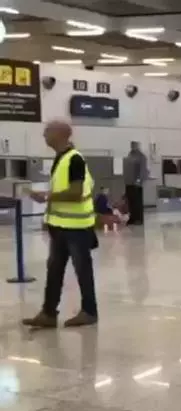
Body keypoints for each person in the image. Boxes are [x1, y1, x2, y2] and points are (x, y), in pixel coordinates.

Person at [22, 121, 99, 329]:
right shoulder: (60, 158)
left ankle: (89, 311)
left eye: (47, 131)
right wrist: (47, 217)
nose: (44, 135)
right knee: (54, 270)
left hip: (77, 227)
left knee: (82, 270)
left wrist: (47, 196)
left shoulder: (75, 159)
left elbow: (76, 193)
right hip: (59, 226)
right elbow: (60, 191)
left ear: (61, 134)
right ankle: (48, 313)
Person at [123, 141, 148, 225]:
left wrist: (139, 180)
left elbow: (143, 170)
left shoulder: (141, 156)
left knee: (137, 202)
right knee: (130, 201)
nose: (132, 146)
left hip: (136, 184)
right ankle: (132, 218)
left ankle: (139, 219)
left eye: (134, 145)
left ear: (137, 146)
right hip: (128, 182)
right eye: (132, 145)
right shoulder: (130, 155)